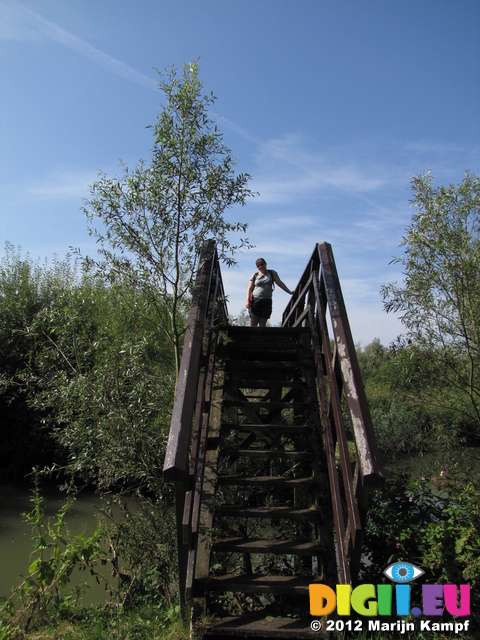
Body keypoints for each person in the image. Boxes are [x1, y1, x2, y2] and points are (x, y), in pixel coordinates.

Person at [245, 257, 294, 327]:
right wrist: (247, 301)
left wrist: (289, 292)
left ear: (265, 264)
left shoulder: (271, 273)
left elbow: (280, 283)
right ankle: (252, 337)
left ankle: (261, 337)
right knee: (254, 323)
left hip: (267, 301)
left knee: (263, 323)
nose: (260, 267)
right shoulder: (255, 275)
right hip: (255, 300)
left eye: (262, 264)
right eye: (258, 266)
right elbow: (249, 288)